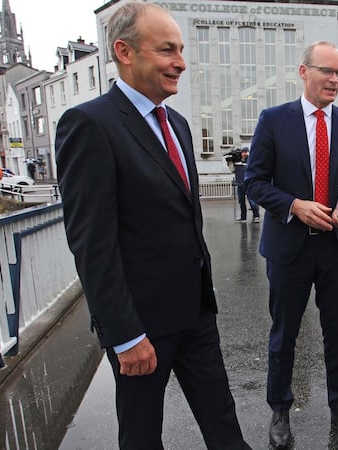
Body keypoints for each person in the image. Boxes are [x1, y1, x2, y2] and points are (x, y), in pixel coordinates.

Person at [55, 4, 249, 449]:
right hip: (141, 327)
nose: (180, 61)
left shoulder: (177, 124)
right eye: (167, 50)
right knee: (142, 437)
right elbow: (91, 244)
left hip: (196, 313)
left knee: (225, 427)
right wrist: (125, 336)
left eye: (180, 49)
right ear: (124, 51)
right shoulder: (90, 125)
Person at [243, 41, 338, 449]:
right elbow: (254, 182)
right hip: (288, 249)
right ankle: (279, 409)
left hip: (336, 248)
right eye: (326, 71)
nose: (334, 79)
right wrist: (294, 205)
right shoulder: (274, 120)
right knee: (285, 334)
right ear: (303, 72)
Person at [233, 148, 260, 223]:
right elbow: (232, 170)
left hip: (249, 184)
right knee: (241, 202)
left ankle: (256, 216)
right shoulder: (238, 162)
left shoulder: (251, 160)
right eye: (243, 152)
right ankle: (243, 217)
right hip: (240, 184)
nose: (244, 154)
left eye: (246, 152)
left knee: (252, 202)